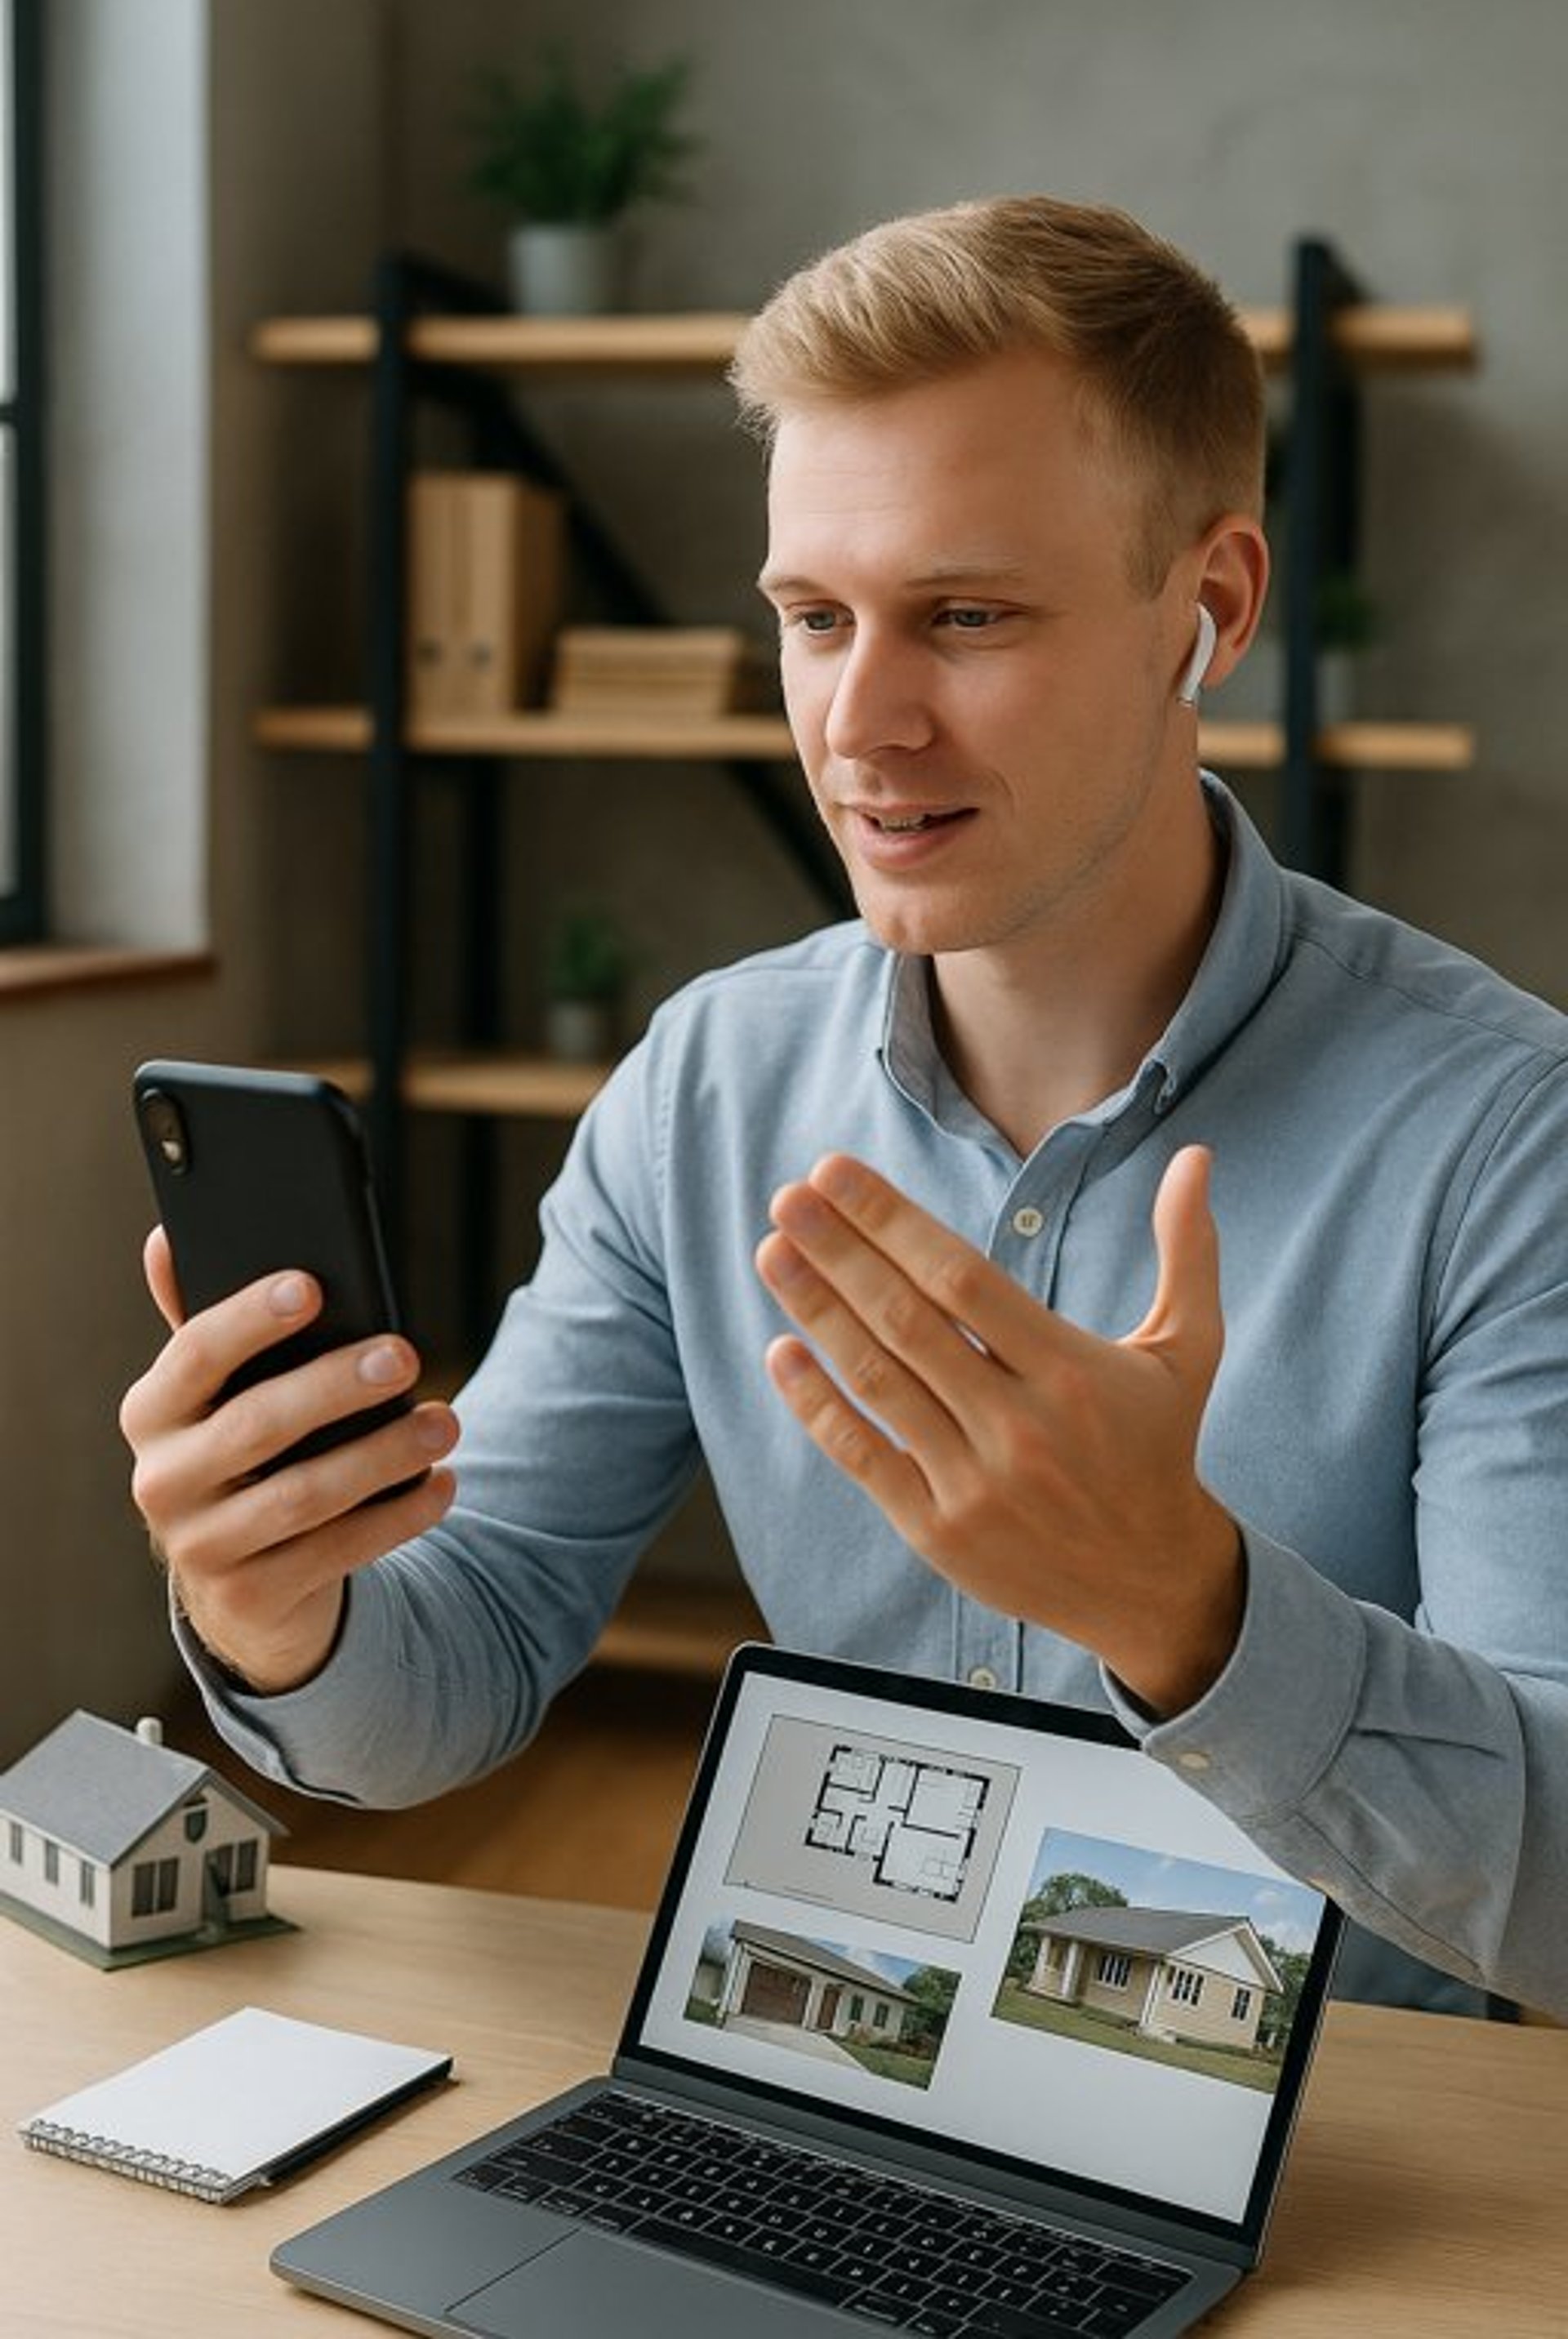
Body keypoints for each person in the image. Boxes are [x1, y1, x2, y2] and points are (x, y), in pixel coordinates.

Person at [121, 196, 1568, 2020]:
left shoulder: (1513, 1140)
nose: (858, 723)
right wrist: (279, 1607)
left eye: (966, 615)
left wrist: (1188, 1611)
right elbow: (463, 1649)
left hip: (1369, 2170)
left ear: (1206, 612)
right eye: (815, 616)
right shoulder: (706, 1086)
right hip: (851, 2079)